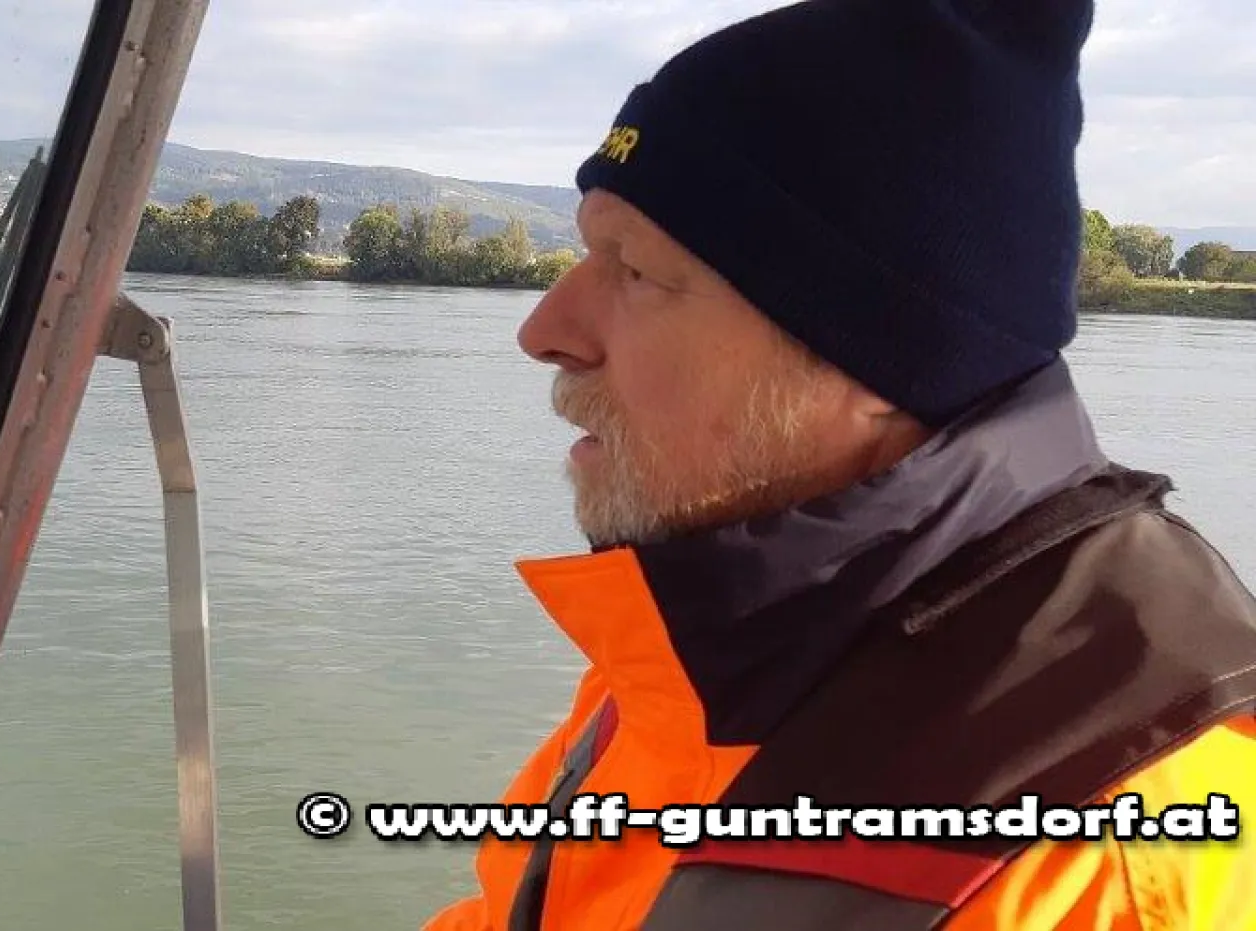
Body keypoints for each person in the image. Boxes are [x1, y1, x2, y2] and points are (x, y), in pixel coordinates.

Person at [422, 0, 1256, 928]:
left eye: (638, 271)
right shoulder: (703, 647)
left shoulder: (1116, 866)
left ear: (882, 359)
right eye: (588, 252)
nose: (546, 330)